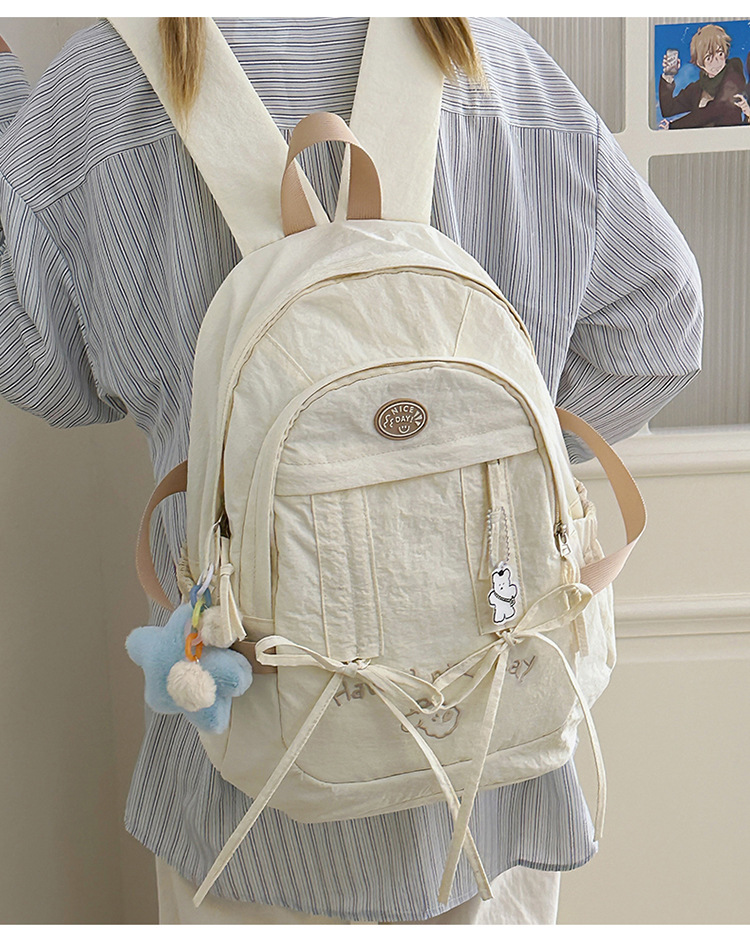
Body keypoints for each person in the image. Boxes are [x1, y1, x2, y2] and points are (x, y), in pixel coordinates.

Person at [0, 17, 703, 925]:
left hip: (248, 783)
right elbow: (658, 334)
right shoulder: (499, 65)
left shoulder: (103, 93)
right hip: (495, 765)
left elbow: (43, 373)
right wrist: (485, 460)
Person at [659, 23, 745, 129]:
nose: (717, 62)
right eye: (709, 58)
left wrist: (674, 126)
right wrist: (669, 75)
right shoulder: (697, 88)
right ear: (700, 64)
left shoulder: (734, 72)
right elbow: (668, 109)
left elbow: (717, 109)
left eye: (720, 54)